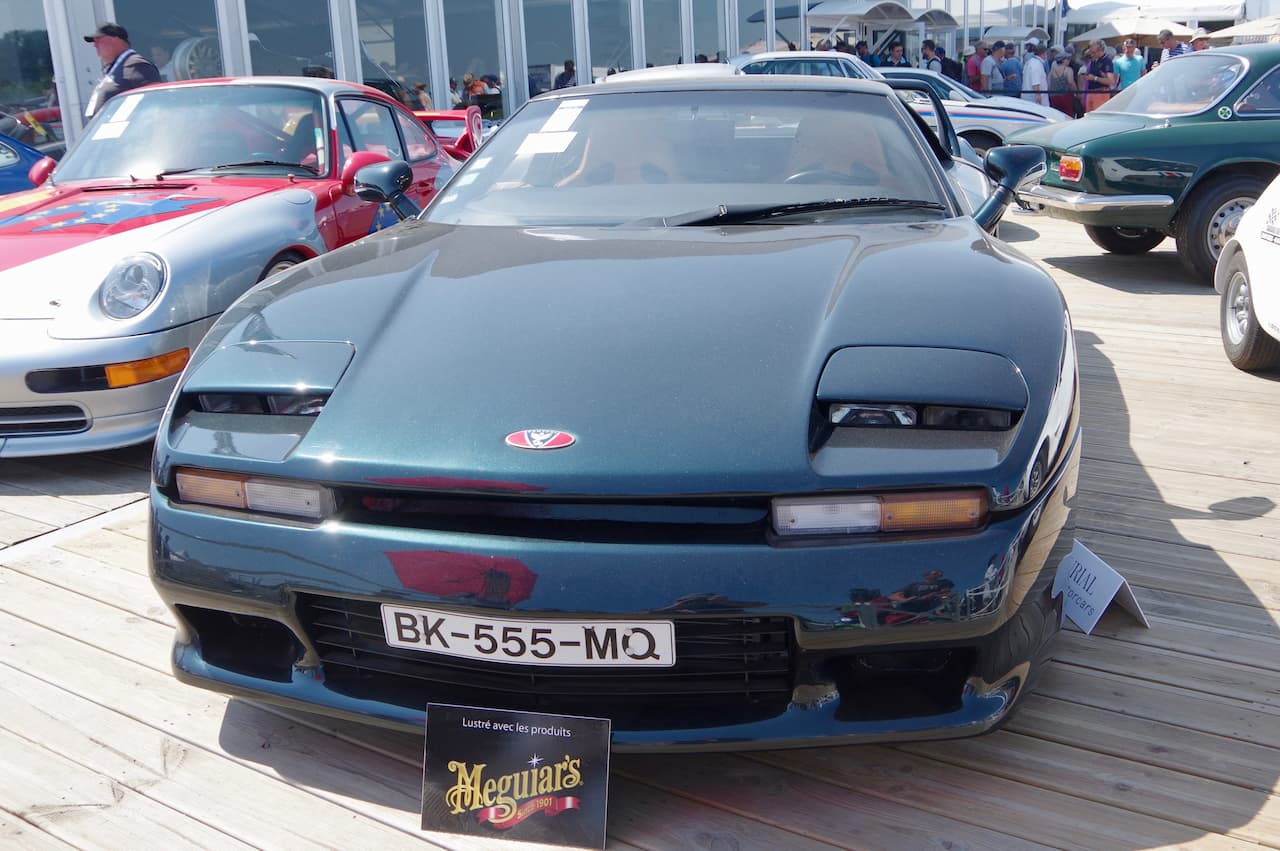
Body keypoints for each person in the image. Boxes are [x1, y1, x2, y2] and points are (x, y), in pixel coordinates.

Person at [82, 22, 161, 119]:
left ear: (114, 39)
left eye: (98, 40)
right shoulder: (118, 66)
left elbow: (154, 102)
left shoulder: (137, 65)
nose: (95, 45)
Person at [1080, 39, 1117, 113]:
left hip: (1100, 93)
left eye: (1094, 52)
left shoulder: (1106, 61)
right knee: (1088, 115)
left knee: (1097, 115)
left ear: (1101, 50)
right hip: (1090, 92)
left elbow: (1111, 81)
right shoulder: (1093, 61)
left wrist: (1095, 78)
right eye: (1091, 52)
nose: (1092, 54)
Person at [1048, 53, 1077, 117]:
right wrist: (1076, 91)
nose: (1069, 60)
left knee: (1056, 115)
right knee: (1068, 115)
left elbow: (1049, 85)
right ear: (1063, 60)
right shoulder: (1068, 69)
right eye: (1068, 59)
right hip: (1066, 96)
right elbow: (1070, 82)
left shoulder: (1052, 71)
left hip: (1054, 97)